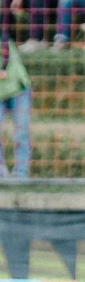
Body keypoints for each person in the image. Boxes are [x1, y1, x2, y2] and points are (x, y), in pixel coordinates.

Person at [0, 38, 29, 180]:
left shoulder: (4, 42)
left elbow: (7, 55)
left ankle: (21, 173)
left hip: (18, 89)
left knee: (21, 131)